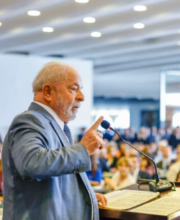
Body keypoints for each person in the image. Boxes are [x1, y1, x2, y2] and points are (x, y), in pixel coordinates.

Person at [2, 62, 107, 220]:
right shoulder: (29, 120)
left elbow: (55, 181)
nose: (82, 97)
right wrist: (83, 149)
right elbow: (32, 163)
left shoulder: (56, 126)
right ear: (48, 91)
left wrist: (84, 198)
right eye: (73, 89)